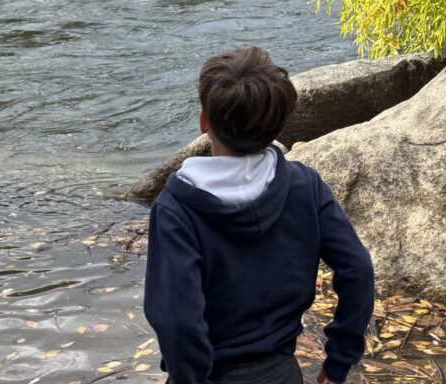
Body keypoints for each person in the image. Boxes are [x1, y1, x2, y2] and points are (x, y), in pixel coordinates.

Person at [145, 47, 375, 384]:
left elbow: (177, 322)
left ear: (204, 121)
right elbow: (358, 270)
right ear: (280, 124)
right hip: (281, 373)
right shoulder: (304, 187)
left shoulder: (176, 209)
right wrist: (340, 358)